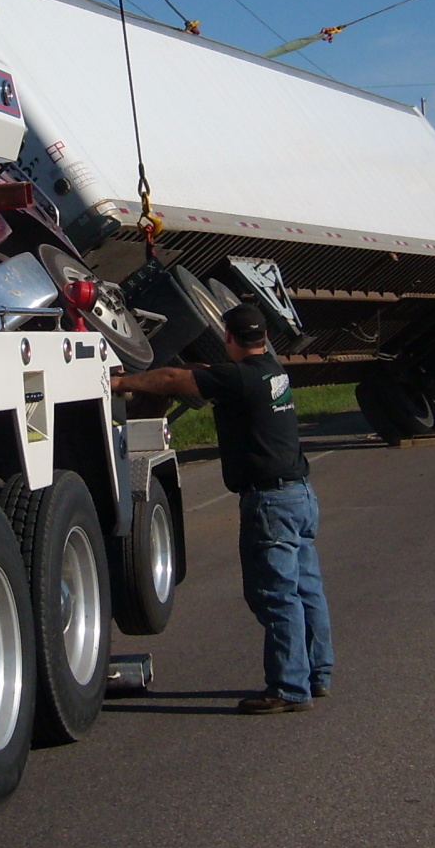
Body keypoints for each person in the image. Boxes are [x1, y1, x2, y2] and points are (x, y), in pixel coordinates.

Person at [111, 304, 334, 713]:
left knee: (274, 594)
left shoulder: (236, 379)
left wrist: (123, 381)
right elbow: (210, 371)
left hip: (270, 503)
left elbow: (173, 379)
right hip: (300, 495)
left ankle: (288, 688)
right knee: (306, 589)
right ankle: (316, 674)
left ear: (228, 337)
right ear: (263, 337)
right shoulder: (272, 370)